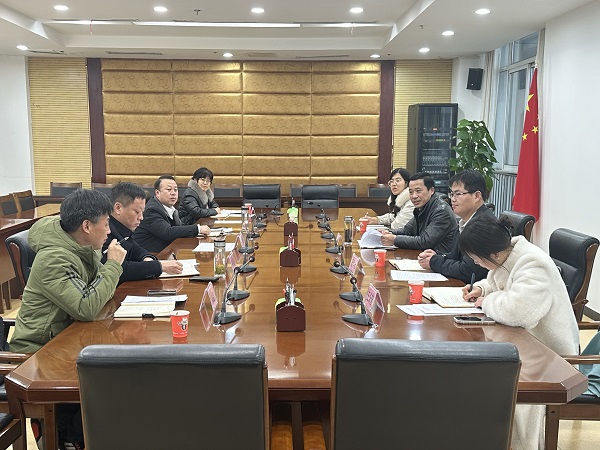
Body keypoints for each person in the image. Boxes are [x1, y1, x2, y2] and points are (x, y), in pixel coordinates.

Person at [10, 189, 127, 450]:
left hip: (66, 337)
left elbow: (97, 295)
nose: (109, 231)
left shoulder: (81, 246)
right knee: (110, 380)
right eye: (106, 224)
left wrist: (106, 271)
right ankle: (67, 437)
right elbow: (87, 307)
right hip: (39, 350)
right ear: (86, 226)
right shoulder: (54, 259)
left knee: (121, 371)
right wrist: (113, 265)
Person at [461, 214, 579, 450]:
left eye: (476, 259)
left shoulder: (533, 263)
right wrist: (481, 289)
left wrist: (486, 302)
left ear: (494, 255)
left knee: (497, 384)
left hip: (551, 356)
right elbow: (498, 281)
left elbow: (519, 312)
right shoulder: (508, 255)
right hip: (526, 343)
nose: (476, 264)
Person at [417, 169, 493, 283]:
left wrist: (434, 262)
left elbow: (468, 271)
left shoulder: (483, 226)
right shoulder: (466, 221)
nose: (452, 199)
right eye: (452, 194)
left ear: (477, 196)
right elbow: (456, 258)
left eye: (458, 194)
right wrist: (437, 256)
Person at [101, 182, 183, 283]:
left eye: (142, 212)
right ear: (118, 208)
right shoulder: (104, 231)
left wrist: (147, 258)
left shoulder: (122, 228)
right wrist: (159, 266)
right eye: (137, 212)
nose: (141, 217)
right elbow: (120, 270)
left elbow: (136, 249)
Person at [380, 172, 458, 253]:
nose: (414, 196)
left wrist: (395, 239)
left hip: (440, 258)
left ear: (431, 190)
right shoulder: (422, 207)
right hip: (424, 255)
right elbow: (407, 231)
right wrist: (388, 232)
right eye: (411, 192)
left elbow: (425, 241)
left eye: (418, 191)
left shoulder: (441, 211)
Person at [133, 175, 211, 252]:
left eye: (175, 190)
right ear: (157, 193)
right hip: (151, 254)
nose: (173, 193)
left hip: (166, 251)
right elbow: (167, 232)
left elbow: (179, 227)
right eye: (169, 189)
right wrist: (198, 229)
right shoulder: (152, 210)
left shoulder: (169, 207)